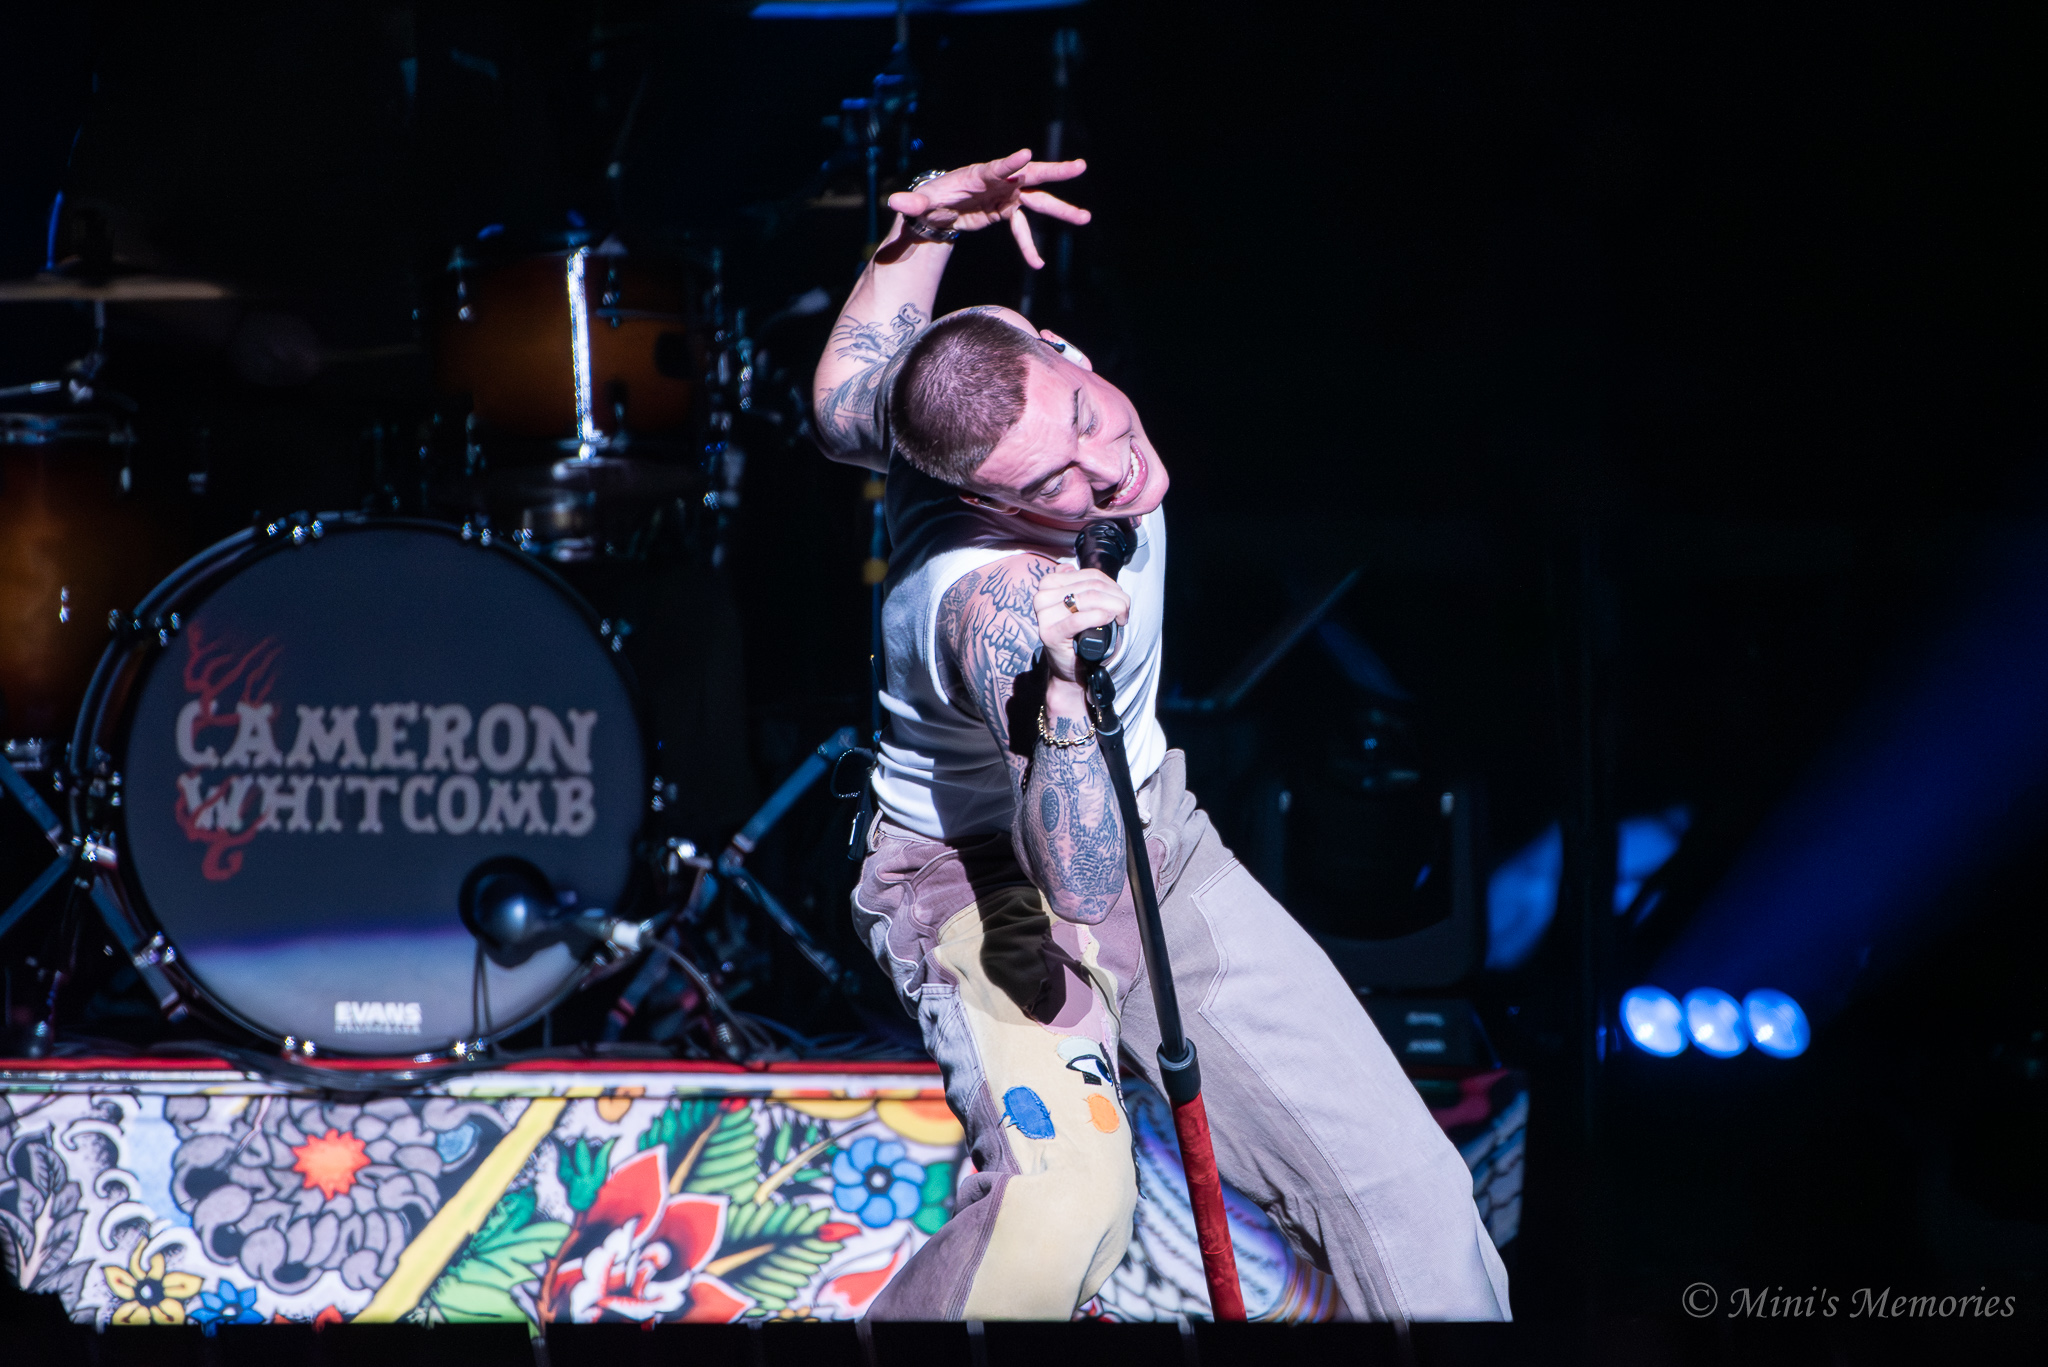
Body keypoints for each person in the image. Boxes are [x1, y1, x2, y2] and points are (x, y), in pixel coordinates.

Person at [811, 150, 1510, 1323]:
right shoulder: (984, 604)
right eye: (1054, 481)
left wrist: (923, 231)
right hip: (980, 884)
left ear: (1053, 353)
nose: (1108, 468)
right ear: (987, 501)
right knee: (1062, 1210)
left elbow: (847, 405)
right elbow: (1079, 887)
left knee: (1410, 1199)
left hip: (1158, 836)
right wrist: (1060, 692)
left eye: (1087, 417)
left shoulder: (995, 368)